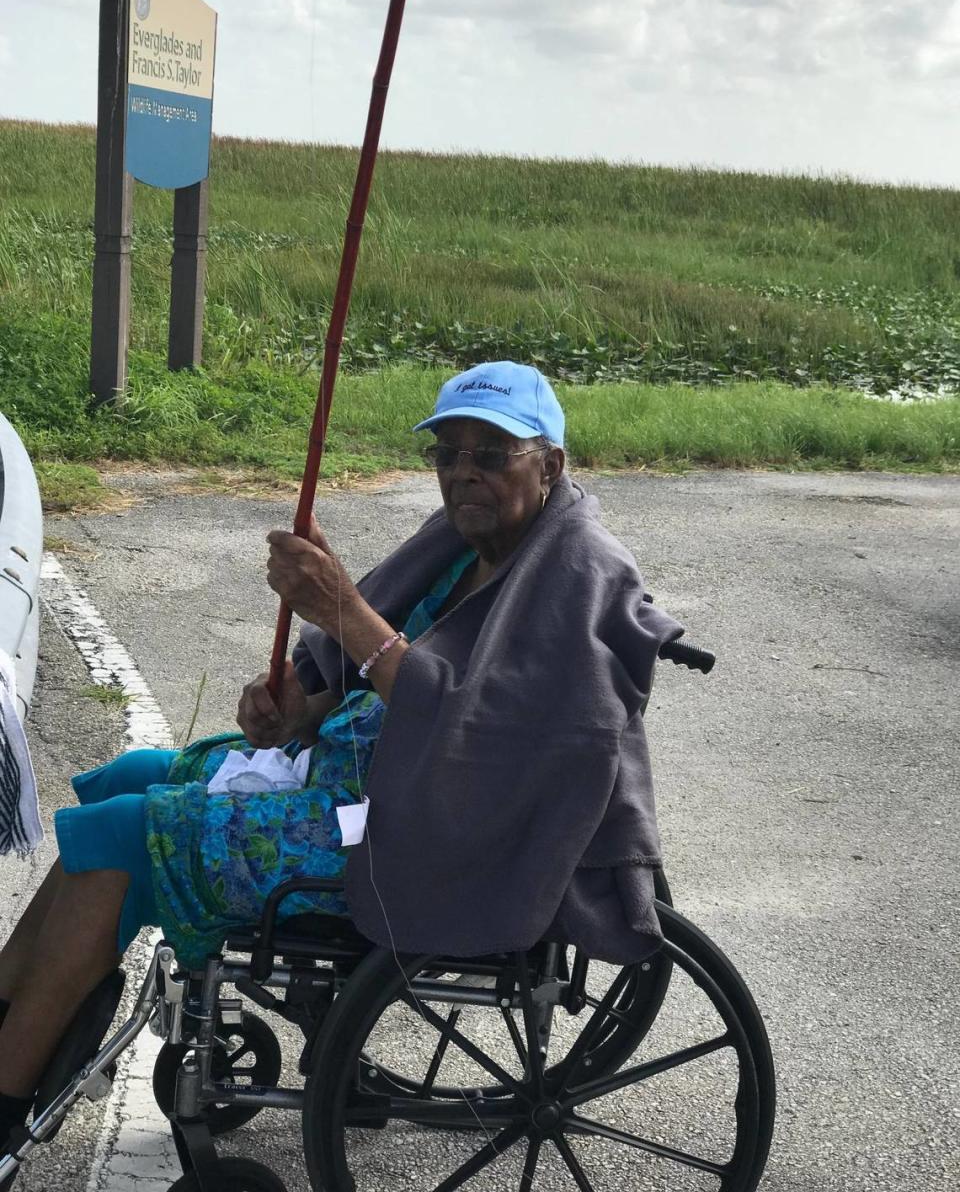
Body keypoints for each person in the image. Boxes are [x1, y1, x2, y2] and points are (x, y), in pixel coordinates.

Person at [0, 360, 681, 1149]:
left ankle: (8, 1090)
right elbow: (374, 674)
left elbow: (481, 738)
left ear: (551, 463)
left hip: (424, 834)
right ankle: (20, 1010)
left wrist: (340, 606)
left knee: (127, 832)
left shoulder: (577, 573)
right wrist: (299, 711)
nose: (463, 474)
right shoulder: (468, 542)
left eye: (491, 455)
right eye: (447, 453)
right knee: (129, 780)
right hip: (359, 785)